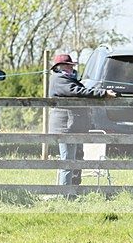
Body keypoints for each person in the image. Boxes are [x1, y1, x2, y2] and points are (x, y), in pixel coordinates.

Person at [49, 54, 116, 186]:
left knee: (77, 158)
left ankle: (74, 189)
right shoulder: (59, 79)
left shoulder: (66, 78)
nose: (72, 68)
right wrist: (103, 93)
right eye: (69, 66)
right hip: (66, 128)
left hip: (74, 126)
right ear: (60, 67)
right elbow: (77, 91)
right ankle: (65, 193)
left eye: (71, 66)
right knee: (68, 161)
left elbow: (80, 90)